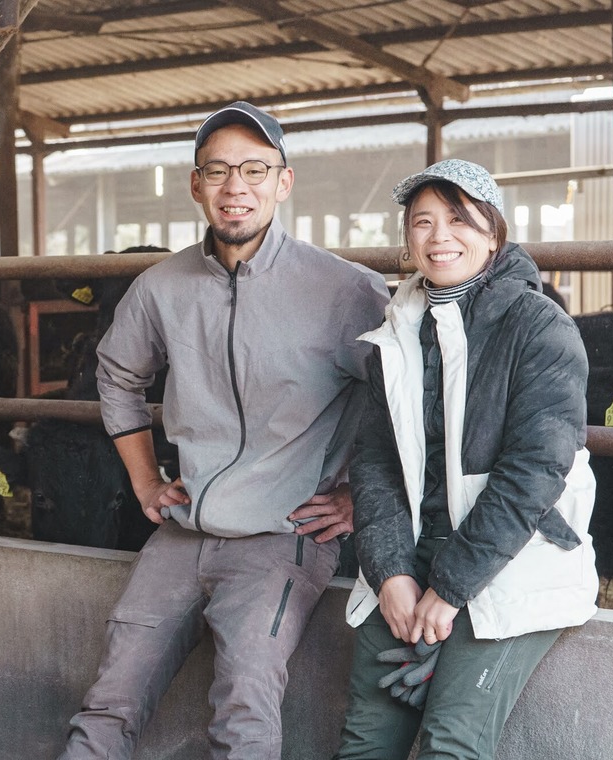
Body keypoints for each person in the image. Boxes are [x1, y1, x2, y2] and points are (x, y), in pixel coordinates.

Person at [58, 101, 389, 759]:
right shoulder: (161, 288)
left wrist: (360, 495)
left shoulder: (346, 290)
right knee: (106, 705)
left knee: (243, 715)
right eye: (218, 172)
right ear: (196, 185)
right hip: (183, 533)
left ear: (283, 182)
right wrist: (146, 478)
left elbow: (406, 397)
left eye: (254, 170)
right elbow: (117, 375)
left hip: (283, 535)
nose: (236, 188)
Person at [336, 159, 599, 760]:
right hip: (413, 552)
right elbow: (374, 460)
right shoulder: (396, 328)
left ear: (493, 233)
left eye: (458, 219)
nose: (439, 237)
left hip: (513, 557)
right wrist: (390, 574)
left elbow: (534, 473)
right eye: (422, 222)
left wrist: (449, 588)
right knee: (363, 743)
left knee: (450, 745)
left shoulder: (540, 328)